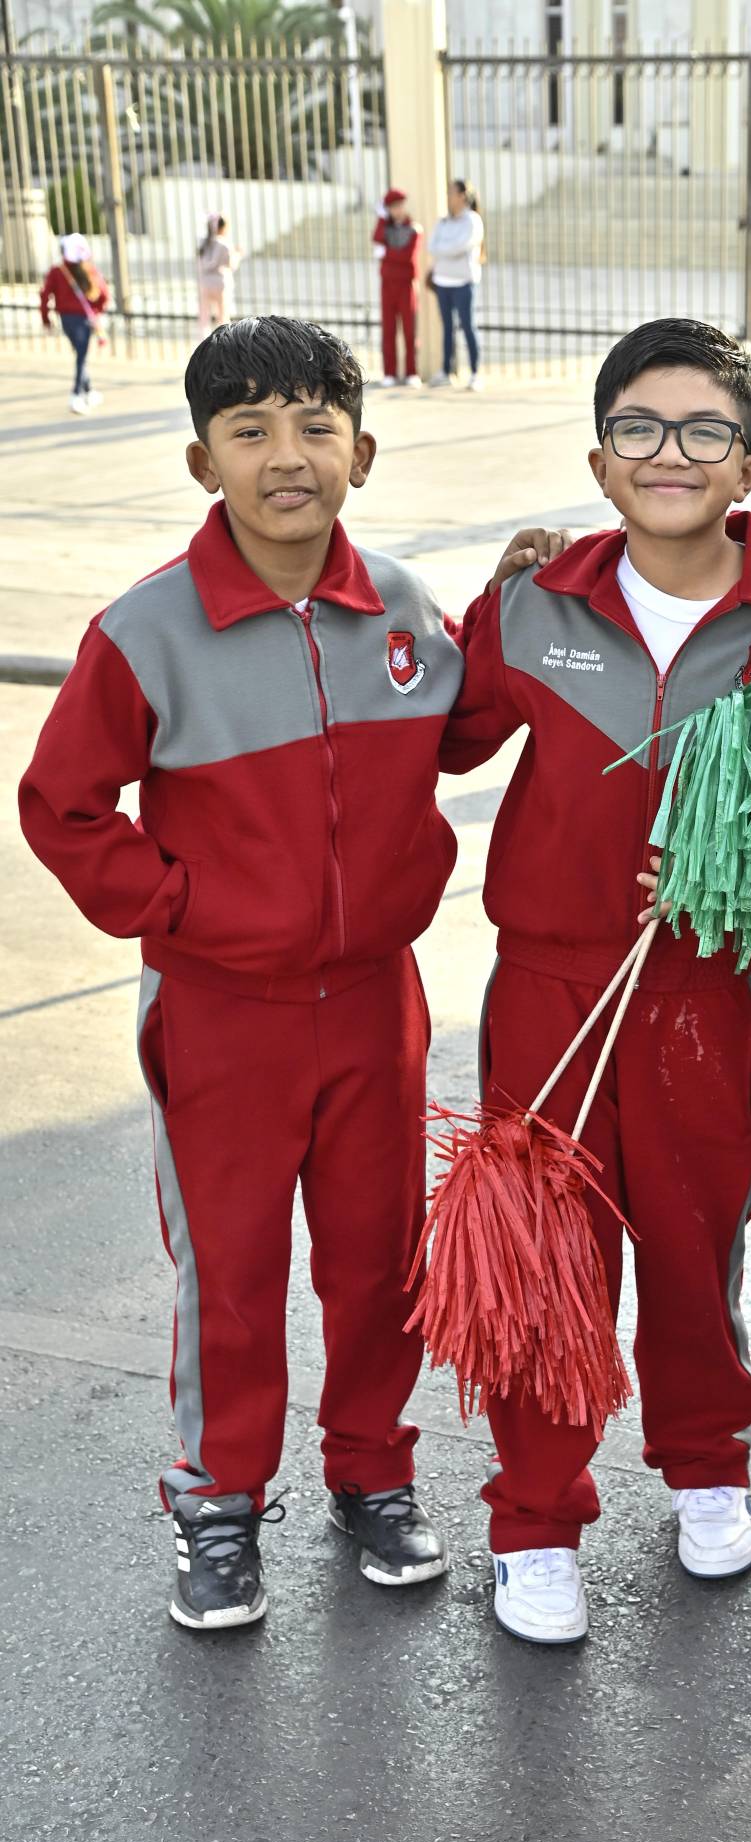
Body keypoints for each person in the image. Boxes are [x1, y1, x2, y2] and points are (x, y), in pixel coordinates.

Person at [18, 315, 464, 1631]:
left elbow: (474, 718)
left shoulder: (404, 609)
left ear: (361, 451)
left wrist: (549, 585)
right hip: (222, 1013)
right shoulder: (147, 628)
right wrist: (182, 910)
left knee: (380, 1260)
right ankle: (217, 1501)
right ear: (202, 460)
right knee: (235, 1264)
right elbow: (63, 805)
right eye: (251, 430)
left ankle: (372, 1476)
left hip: (376, 1002)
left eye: (316, 426)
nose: (288, 456)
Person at [441, 318, 751, 1646]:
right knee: (544, 1250)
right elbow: (434, 738)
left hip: (702, 996)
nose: (669, 454)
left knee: (692, 1238)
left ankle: (708, 1466)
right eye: (639, 430)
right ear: (601, 462)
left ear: (747, 463)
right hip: (549, 990)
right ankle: (535, 1519)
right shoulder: (536, 604)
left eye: (703, 432)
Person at [39, 232, 109, 415]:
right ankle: (76, 395)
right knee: (81, 357)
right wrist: (97, 311)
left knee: (80, 355)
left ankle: (89, 391)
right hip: (84, 320)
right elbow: (103, 295)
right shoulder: (90, 270)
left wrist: (46, 318)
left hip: (67, 320)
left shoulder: (57, 271)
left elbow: (45, 294)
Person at [428, 179, 485, 391]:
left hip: (464, 283)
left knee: (468, 326)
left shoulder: (472, 220)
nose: (448, 196)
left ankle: (475, 373)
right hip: (443, 282)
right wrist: (447, 249)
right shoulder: (443, 222)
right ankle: (446, 371)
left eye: (451, 192)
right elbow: (432, 247)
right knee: (447, 328)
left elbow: (462, 246)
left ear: (462, 196)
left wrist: (446, 249)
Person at [373, 187, 422, 387]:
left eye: (399, 206)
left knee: (410, 330)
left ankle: (412, 372)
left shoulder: (414, 229)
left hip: (406, 285)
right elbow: (376, 237)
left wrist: (386, 253)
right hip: (388, 285)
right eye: (392, 207)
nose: (397, 210)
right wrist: (382, 218)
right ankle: (390, 372)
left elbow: (408, 258)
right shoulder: (385, 229)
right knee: (389, 329)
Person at [197, 213, 243, 335]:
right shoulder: (225, 244)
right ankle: (224, 341)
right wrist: (238, 254)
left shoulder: (202, 242)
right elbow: (231, 265)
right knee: (222, 316)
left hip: (205, 283)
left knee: (204, 317)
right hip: (220, 283)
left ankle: (203, 342)